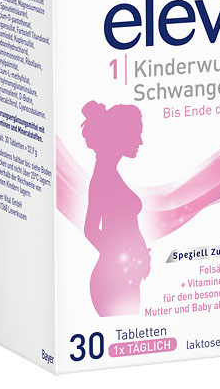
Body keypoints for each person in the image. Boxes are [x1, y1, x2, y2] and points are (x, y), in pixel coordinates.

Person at [81, 101, 150, 316]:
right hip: (112, 279)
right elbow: (90, 230)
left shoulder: (108, 173)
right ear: (119, 136)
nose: (140, 141)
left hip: (123, 276)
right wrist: (123, 256)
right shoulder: (103, 177)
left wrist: (138, 257)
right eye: (135, 134)